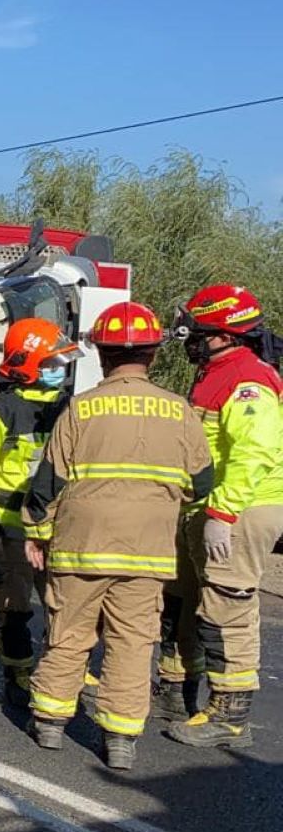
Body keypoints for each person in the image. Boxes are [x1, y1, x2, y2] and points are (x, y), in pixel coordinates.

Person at [23, 302, 214, 770]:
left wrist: (36, 534)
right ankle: (121, 739)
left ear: (103, 356)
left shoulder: (81, 407)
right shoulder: (180, 412)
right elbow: (204, 484)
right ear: (151, 355)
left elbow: (47, 483)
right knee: (132, 643)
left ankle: (50, 722)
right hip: (147, 554)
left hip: (80, 548)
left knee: (69, 635)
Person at [157, 284, 283, 747]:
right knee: (181, 597)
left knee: (225, 607)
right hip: (206, 505)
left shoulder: (248, 380)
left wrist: (223, 513)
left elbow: (254, 452)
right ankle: (176, 687)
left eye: (198, 331)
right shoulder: (218, 369)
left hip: (242, 507)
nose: (190, 340)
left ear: (224, 335)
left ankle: (230, 714)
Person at [0, 318, 79, 704]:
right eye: (51, 364)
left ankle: (60, 671)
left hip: (60, 527)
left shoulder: (72, 409)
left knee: (64, 605)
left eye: (61, 364)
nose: (59, 371)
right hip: (12, 528)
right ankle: (18, 670)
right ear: (26, 363)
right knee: (13, 606)